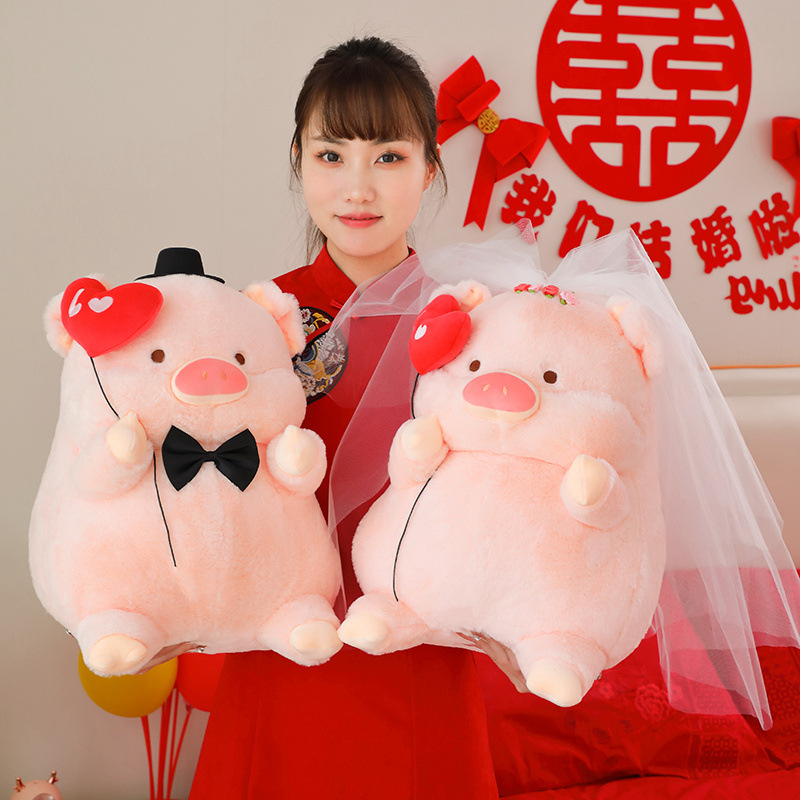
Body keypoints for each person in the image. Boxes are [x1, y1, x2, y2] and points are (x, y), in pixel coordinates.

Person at [189, 37, 500, 800]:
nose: (358, 187)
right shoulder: (252, 320)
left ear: (430, 168)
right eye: (333, 156)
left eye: (389, 157)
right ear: (300, 161)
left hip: (421, 649)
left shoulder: (474, 325)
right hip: (286, 643)